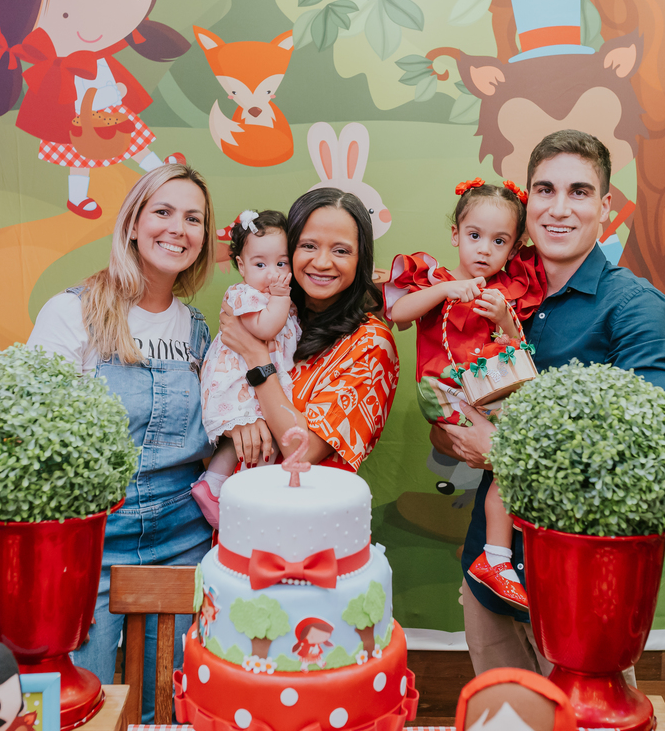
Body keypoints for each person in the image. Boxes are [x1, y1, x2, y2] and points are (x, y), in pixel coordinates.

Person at [432, 130, 665, 675]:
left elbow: (651, 448)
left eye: (579, 191)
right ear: (526, 205)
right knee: (503, 717)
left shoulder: (632, 305)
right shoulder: (493, 292)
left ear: (605, 208)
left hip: (581, 585)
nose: (559, 208)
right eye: (544, 190)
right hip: (490, 571)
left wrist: (502, 450)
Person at [26, 162, 216, 721]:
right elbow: (38, 435)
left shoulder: (199, 330)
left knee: (169, 702)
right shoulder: (74, 312)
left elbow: (215, 437)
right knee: (78, 702)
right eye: (163, 212)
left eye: (193, 218)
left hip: (183, 542)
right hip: (92, 543)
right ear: (133, 223)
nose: (177, 229)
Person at [384, 178, 544, 610]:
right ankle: (496, 559)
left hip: (483, 389)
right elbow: (397, 313)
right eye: (474, 236)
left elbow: (516, 350)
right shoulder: (434, 278)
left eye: (499, 241)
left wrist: (506, 322)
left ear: (513, 249)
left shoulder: (504, 291)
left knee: (513, 459)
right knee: (510, 455)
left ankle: (496, 559)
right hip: (443, 389)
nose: (483, 250)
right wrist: (445, 289)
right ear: (455, 233)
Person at [0, 0, 189, 219]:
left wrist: (117, 93)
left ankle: (160, 170)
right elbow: (60, 99)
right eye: (66, 15)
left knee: (134, 141)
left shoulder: (98, 59)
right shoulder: (54, 71)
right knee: (79, 159)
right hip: (75, 120)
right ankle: (77, 198)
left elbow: (107, 79)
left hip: (110, 110)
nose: (93, 28)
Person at [217, 188, 399, 472]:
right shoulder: (275, 316)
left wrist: (256, 356)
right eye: (309, 246)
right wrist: (238, 422)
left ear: (360, 259)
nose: (323, 262)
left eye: (341, 250)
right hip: (236, 501)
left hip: (307, 507)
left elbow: (300, 451)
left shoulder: (371, 342)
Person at [193, 209, 301, 526]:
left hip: (256, 379)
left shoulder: (281, 301)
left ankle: (215, 485)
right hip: (237, 382)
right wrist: (281, 297)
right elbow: (265, 329)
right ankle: (221, 487)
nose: (272, 273)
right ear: (241, 266)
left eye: (281, 264)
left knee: (262, 437)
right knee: (264, 438)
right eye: (260, 264)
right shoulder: (245, 296)